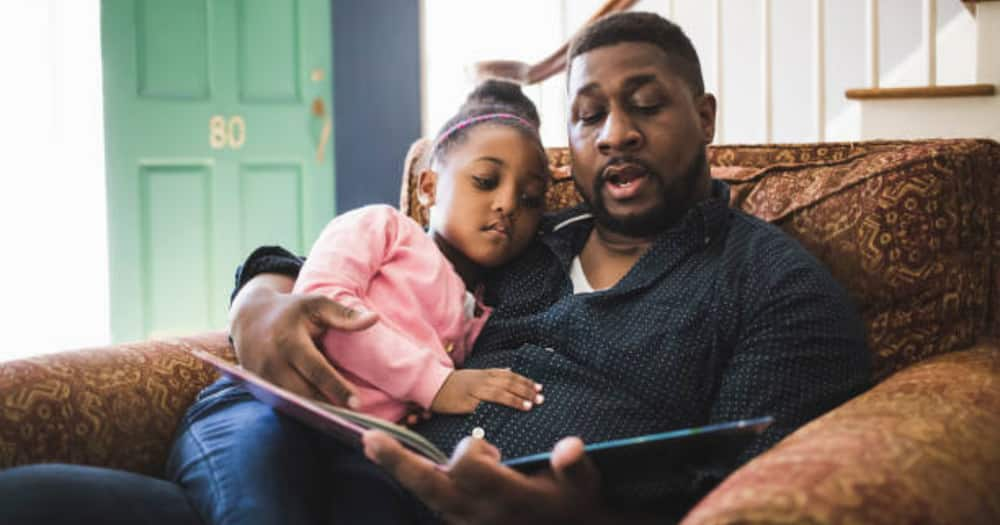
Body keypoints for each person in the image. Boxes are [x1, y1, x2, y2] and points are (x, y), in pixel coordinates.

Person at [0, 11, 872, 525]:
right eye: (590, 113)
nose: (615, 133)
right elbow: (352, 267)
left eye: (646, 105)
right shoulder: (534, 240)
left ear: (705, 114)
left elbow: (746, 492)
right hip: (321, 478)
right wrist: (261, 298)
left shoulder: (769, 285)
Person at [294, 80, 548, 423]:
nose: (507, 204)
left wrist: (412, 409)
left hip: (356, 442)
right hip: (273, 411)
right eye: (485, 181)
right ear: (429, 188)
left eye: (530, 198)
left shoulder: (482, 314)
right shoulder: (382, 227)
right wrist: (435, 385)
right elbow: (321, 307)